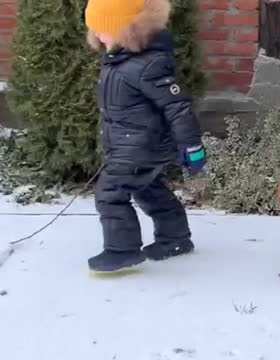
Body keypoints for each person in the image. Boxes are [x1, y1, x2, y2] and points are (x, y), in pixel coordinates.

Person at [84, 0, 206, 273]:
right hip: (132, 144)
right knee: (147, 188)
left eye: (104, 29)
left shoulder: (147, 65)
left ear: (129, 29)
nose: (99, 36)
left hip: (141, 146)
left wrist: (192, 146)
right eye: (95, 30)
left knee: (110, 192)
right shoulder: (118, 60)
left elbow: (177, 107)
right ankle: (175, 239)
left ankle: (122, 250)